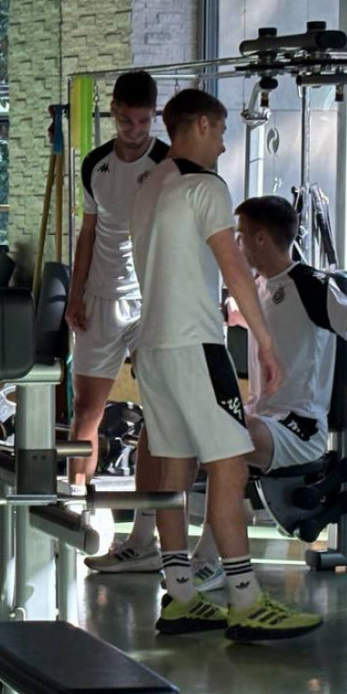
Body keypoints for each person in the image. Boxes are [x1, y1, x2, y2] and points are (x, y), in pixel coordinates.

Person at [127, 88, 321, 641]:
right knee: (231, 465)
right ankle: (245, 598)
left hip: (153, 345)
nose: (225, 144)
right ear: (202, 125)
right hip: (195, 344)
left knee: (173, 467)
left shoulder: (149, 184)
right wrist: (264, 341)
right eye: (222, 131)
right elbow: (233, 266)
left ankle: (182, 595)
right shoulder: (204, 185)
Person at [63, 72, 171, 568]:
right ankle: (76, 507)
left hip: (150, 302)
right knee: (88, 409)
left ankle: (142, 532)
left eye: (143, 121)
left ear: (154, 117)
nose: (134, 130)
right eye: (126, 120)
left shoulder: (168, 163)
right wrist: (75, 294)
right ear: (113, 113)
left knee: (158, 414)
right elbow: (87, 233)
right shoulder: (95, 164)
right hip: (100, 300)